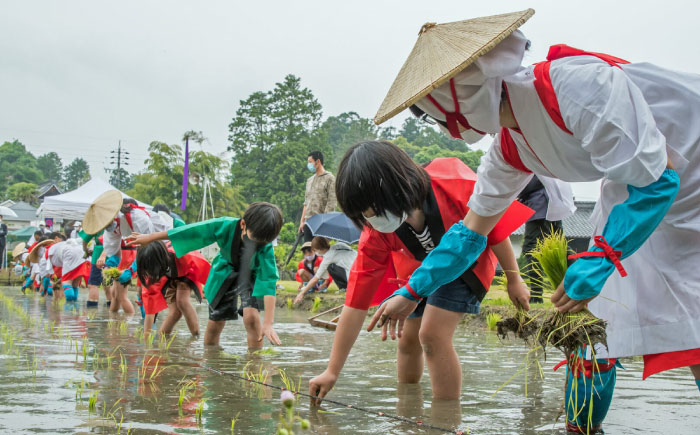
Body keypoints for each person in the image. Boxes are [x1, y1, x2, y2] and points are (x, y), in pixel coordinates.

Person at [371, 10, 700, 432]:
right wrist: (413, 290)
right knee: (591, 329)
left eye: (431, 113)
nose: (441, 126)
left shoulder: (578, 88)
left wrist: (600, 258)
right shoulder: (510, 148)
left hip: (683, 176)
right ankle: (581, 429)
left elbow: (659, 181)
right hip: (637, 188)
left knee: (692, 322)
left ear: (460, 92)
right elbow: (470, 235)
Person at [308, 142, 532, 404]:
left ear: (394, 189)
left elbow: (494, 231)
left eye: (374, 212)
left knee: (432, 335)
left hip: (467, 265)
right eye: (364, 217)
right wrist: (332, 371)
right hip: (418, 273)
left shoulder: (455, 186)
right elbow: (354, 303)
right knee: (407, 339)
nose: (371, 221)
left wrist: (514, 279)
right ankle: (408, 413)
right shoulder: (377, 231)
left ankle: (445, 421)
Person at [127, 202, 284, 349]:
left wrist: (268, 323)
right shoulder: (224, 225)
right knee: (216, 321)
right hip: (225, 270)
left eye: (263, 243)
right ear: (243, 225)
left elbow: (268, 281)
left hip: (251, 274)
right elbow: (192, 231)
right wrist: (149, 237)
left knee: (251, 318)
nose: (258, 245)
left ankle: (254, 363)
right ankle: (210, 358)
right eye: (254, 240)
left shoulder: (265, 246)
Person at [135, 240, 210, 336]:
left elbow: (206, 271)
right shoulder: (152, 275)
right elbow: (150, 311)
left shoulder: (184, 256)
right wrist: (147, 343)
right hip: (168, 276)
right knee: (175, 312)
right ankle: (163, 338)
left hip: (187, 271)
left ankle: (195, 336)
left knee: (182, 301)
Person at [517, 176, 565, 304]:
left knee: (531, 249)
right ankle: (570, 290)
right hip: (554, 205)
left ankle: (536, 295)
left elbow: (529, 182)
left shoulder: (533, 159)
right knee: (560, 248)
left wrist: (515, 191)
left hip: (540, 206)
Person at [294, 237, 356, 304]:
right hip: (362, 262)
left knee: (353, 296)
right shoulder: (340, 244)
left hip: (355, 270)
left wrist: (302, 293)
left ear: (320, 249)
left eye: (315, 250)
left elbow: (315, 278)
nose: (316, 253)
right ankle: (345, 287)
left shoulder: (328, 257)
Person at [299, 151, 336, 242]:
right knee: (308, 252)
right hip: (308, 223)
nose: (308, 164)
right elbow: (306, 203)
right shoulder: (310, 180)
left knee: (320, 252)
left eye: (310, 162)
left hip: (322, 224)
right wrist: (302, 221)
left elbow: (332, 203)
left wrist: (324, 222)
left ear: (318, 161)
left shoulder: (329, 178)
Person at [79, 228, 109, 307]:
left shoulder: (96, 224)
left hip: (99, 253)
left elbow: (85, 239)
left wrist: (85, 250)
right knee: (108, 283)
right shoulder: (115, 221)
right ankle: (111, 311)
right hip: (114, 253)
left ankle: (92, 312)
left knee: (93, 284)